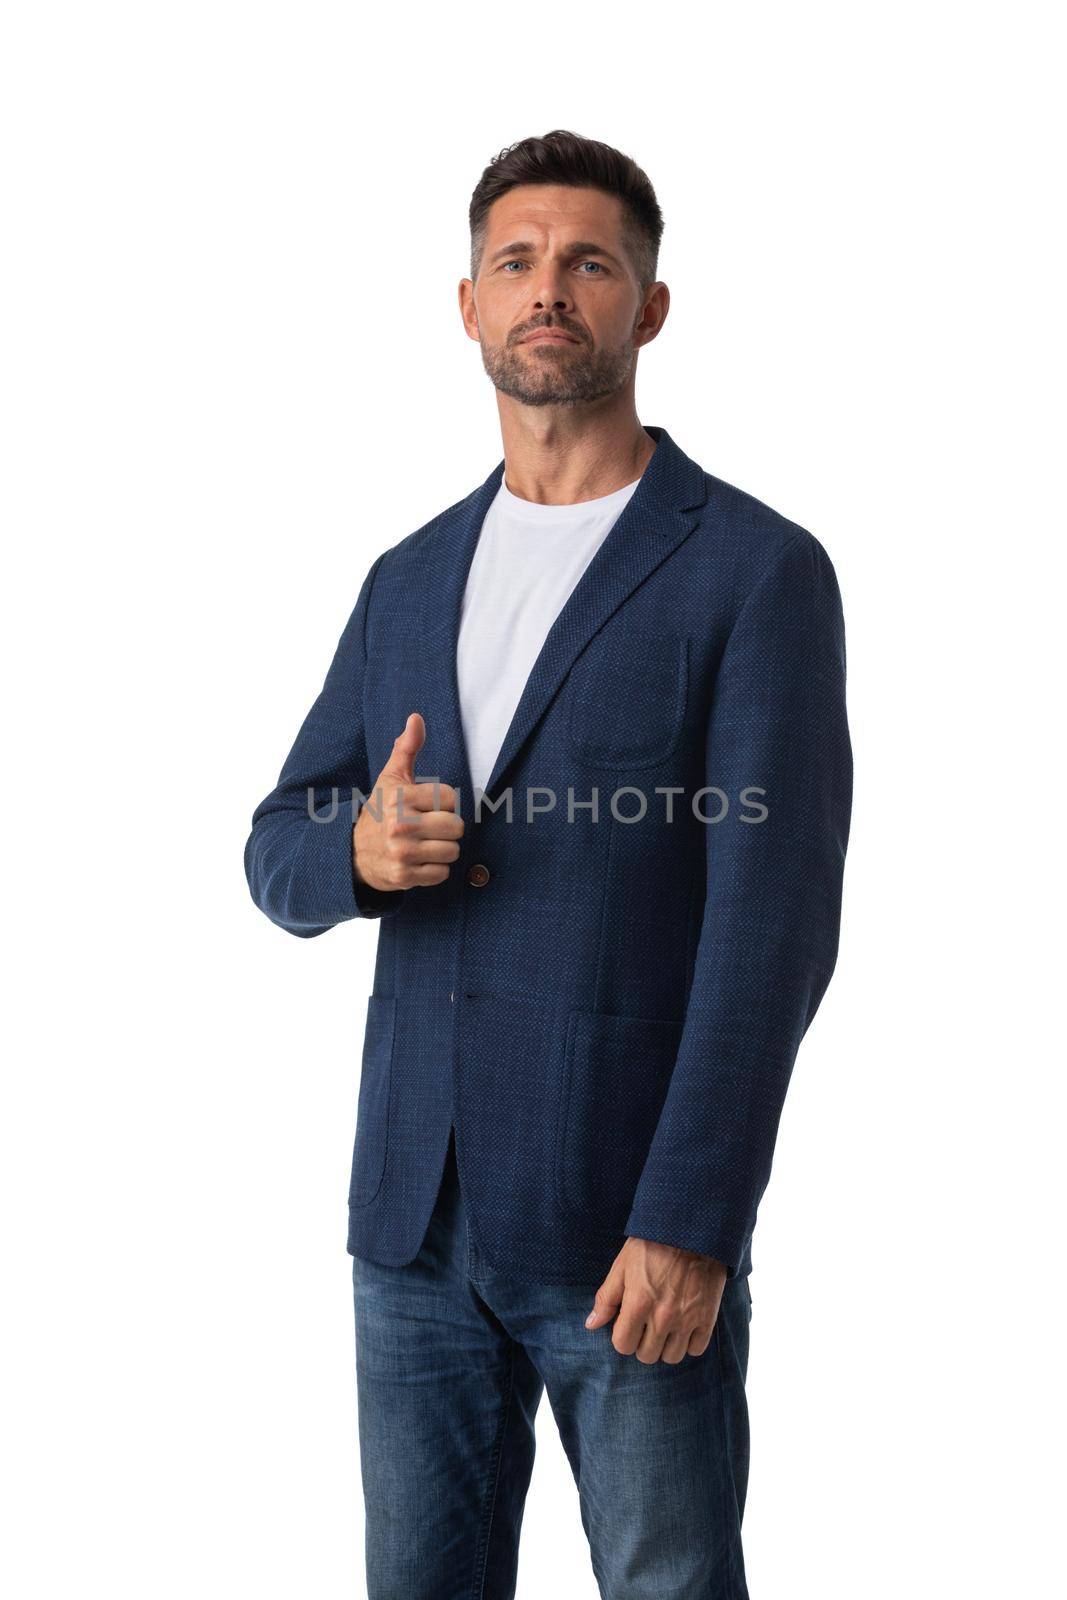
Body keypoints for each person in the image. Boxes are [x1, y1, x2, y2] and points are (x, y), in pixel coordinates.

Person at [244, 128, 852, 1600]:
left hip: (623, 1231)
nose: (549, 290)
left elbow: (772, 930)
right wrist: (360, 852)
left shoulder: (753, 571)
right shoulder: (408, 575)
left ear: (649, 307)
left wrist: (694, 1219)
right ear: (467, 307)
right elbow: (277, 844)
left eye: (590, 262)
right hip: (412, 1226)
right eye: (515, 261)